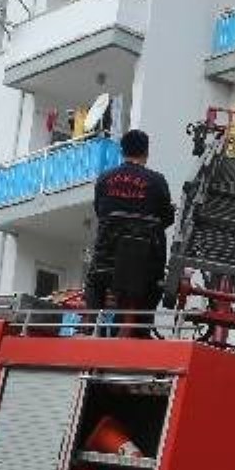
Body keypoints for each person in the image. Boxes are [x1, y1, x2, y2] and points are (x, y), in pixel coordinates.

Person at [83, 129, 175, 327]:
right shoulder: (157, 181)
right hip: (146, 267)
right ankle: (140, 331)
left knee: (94, 282)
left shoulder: (105, 179)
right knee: (149, 294)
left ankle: (89, 324)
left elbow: (101, 213)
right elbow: (166, 218)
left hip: (107, 261)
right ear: (146, 152)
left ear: (122, 151)